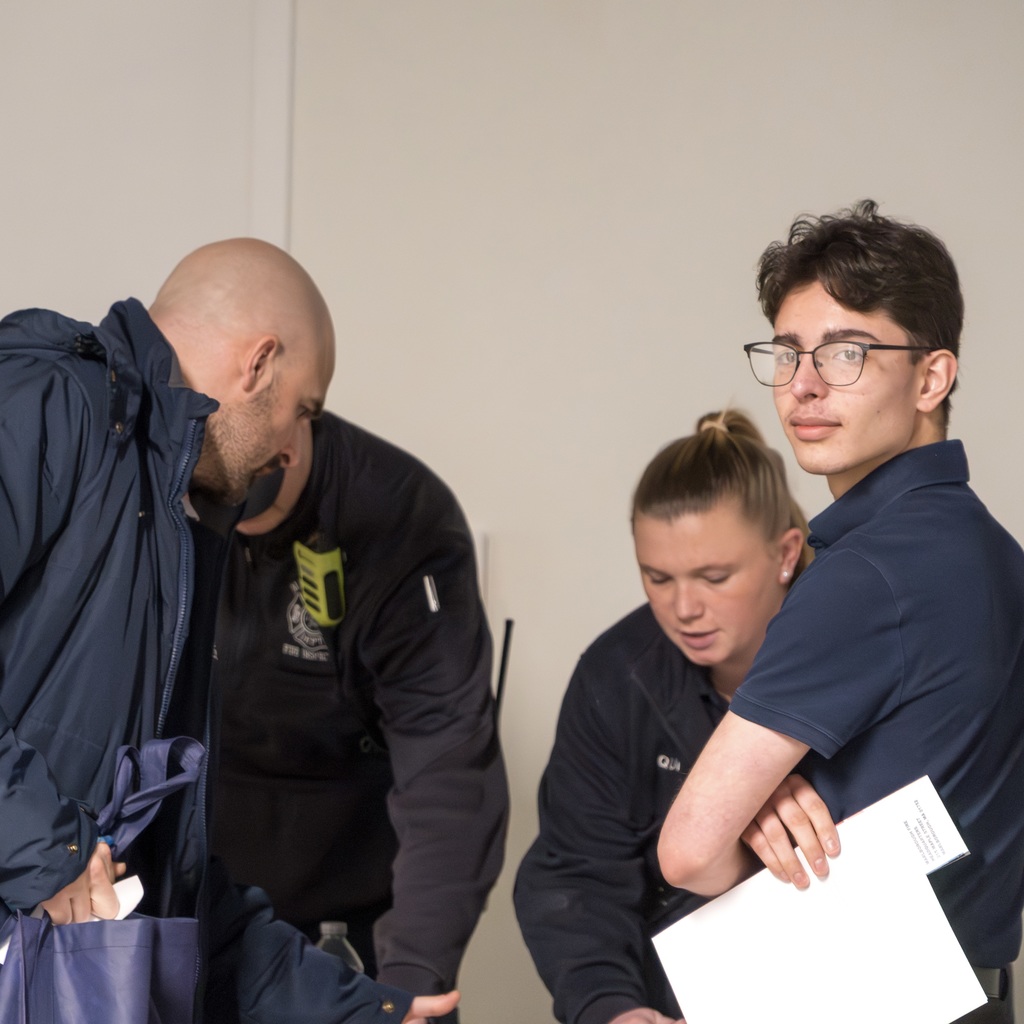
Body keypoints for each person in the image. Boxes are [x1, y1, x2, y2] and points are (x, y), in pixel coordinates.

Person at [0, 237, 456, 1024]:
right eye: (302, 410)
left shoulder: (170, 522)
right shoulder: (43, 402)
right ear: (259, 363)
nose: (292, 448)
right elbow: (73, 860)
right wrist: (51, 853)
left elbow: (165, 876)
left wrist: (355, 1010)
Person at [658, 200, 1024, 1022]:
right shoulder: (998, 555)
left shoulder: (865, 574)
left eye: (847, 352)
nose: (805, 385)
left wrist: (749, 822)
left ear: (931, 377)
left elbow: (687, 853)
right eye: (788, 353)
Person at [514, 409, 813, 1024]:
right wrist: (612, 1008)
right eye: (657, 577)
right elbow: (578, 874)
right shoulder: (615, 676)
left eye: (714, 577)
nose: (684, 608)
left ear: (785, 555)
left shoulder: (861, 648)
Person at [210, 407, 509, 1014]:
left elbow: (448, 774)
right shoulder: (158, 498)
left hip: (356, 924)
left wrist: (409, 981)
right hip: (204, 910)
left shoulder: (398, 515)